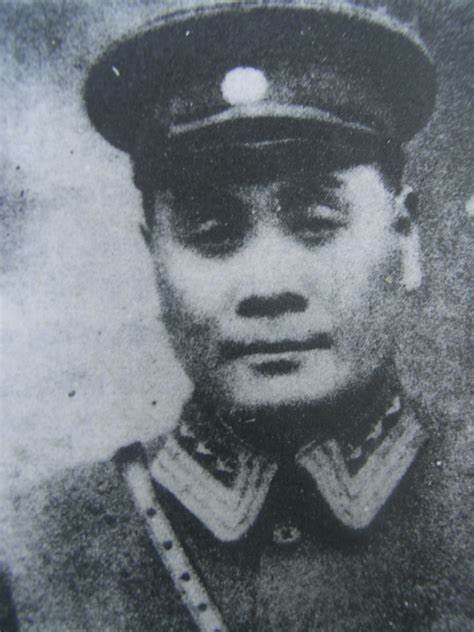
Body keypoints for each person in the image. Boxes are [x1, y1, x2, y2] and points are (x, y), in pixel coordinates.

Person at [3, 2, 472, 630]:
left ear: (406, 239)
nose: (268, 287)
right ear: (154, 257)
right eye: (211, 232)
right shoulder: (38, 553)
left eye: (316, 222)